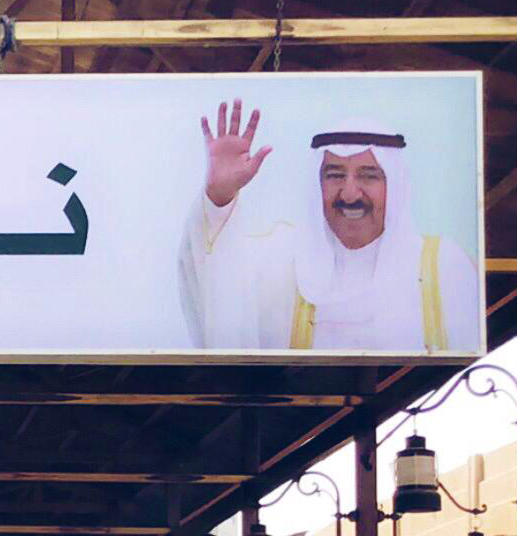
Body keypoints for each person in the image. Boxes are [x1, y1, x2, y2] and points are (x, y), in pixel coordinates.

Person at [178, 100, 479, 354]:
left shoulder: (443, 266)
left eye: (369, 176)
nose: (349, 194)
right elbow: (217, 285)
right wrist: (219, 195)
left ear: (395, 185)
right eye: (335, 175)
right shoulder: (281, 262)